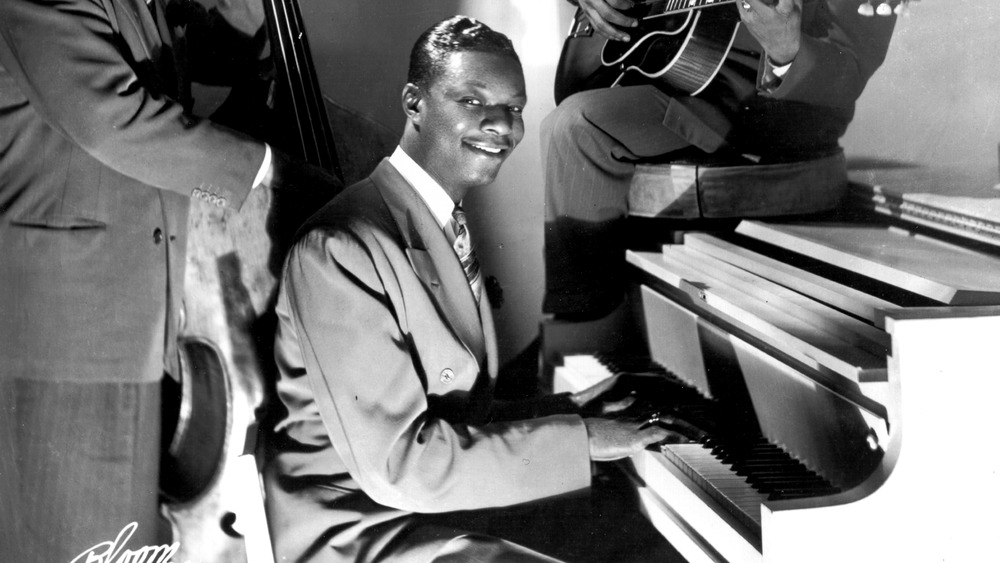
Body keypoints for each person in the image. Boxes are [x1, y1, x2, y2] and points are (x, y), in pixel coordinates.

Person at [263, 15, 675, 563]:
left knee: (639, 536)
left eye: (515, 109)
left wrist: (572, 413)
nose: (502, 125)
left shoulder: (434, 217)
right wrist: (583, 441)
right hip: (364, 530)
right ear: (414, 104)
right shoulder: (341, 248)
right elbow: (399, 467)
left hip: (428, 507)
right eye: (474, 101)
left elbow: (456, 415)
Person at [0, 0, 339, 560]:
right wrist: (268, 174)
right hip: (68, 336)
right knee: (83, 542)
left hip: (134, 321)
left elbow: (222, 50)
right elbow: (113, 122)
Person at [543, 0, 897, 320]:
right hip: (664, 74)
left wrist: (787, 48)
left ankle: (579, 339)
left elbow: (848, 70)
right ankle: (579, 344)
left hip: (767, 119)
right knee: (568, 125)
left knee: (575, 125)